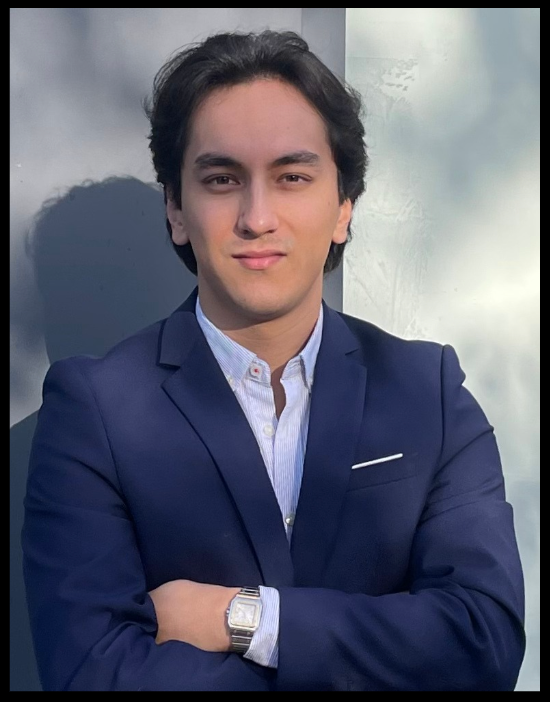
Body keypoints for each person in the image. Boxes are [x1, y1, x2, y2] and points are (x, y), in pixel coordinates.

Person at [22, 29, 525, 691]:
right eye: (222, 179)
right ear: (176, 208)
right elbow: (92, 673)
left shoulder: (426, 391)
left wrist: (245, 619)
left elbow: (483, 641)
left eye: (292, 177)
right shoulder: (96, 410)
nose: (257, 217)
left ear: (343, 206)